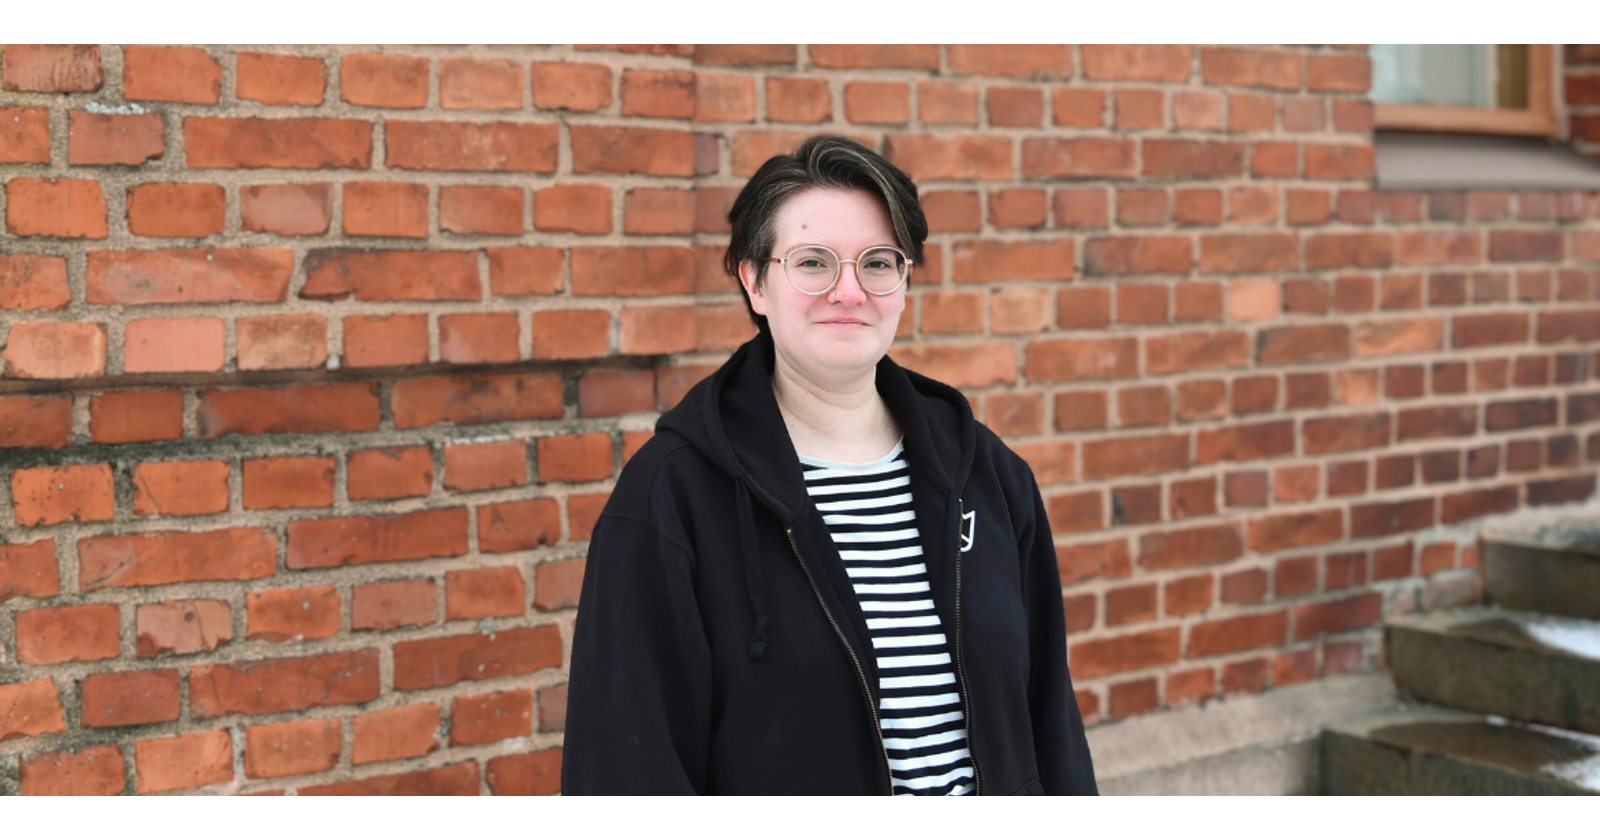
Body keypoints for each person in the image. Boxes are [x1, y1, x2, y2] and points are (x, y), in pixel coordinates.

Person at [560, 136, 1097, 795]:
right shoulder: (671, 498)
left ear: (903, 283)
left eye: (878, 263)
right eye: (812, 262)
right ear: (754, 281)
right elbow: (625, 768)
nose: (850, 291)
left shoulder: (987, 475)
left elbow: (1052, 722)